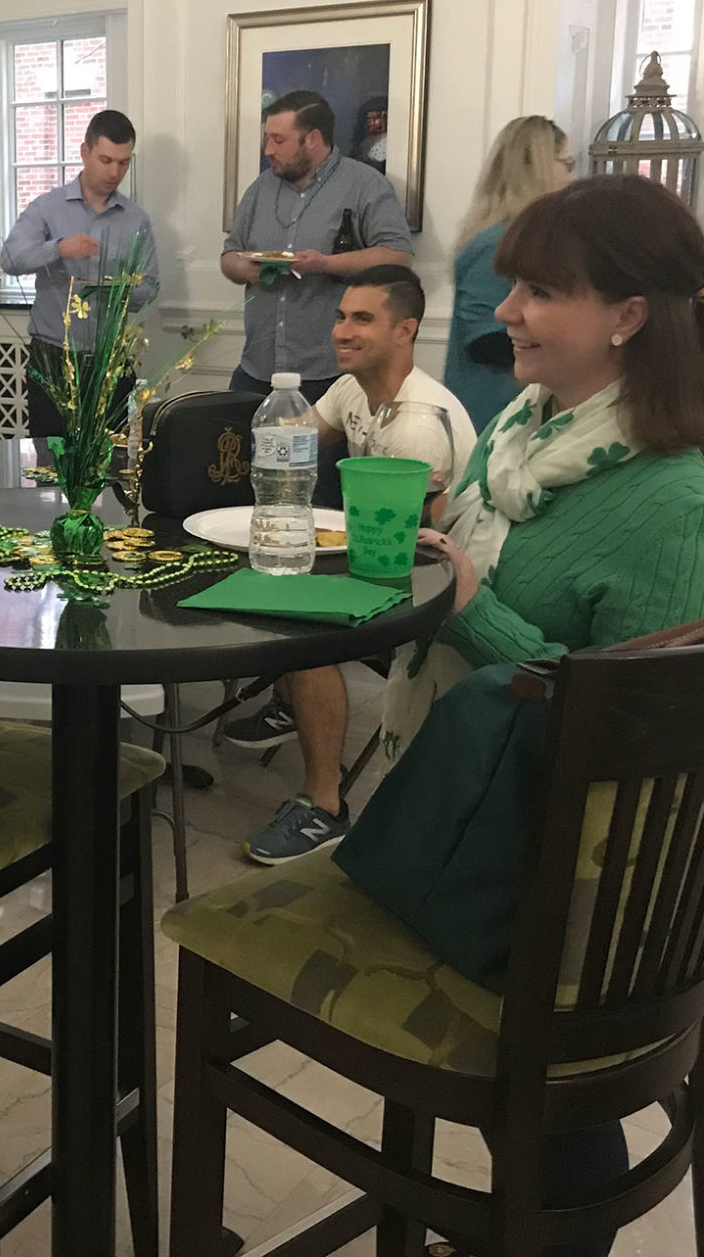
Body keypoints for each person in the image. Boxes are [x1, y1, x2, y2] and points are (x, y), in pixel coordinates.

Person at [392, 173, 704, 1257]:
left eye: (540, 291)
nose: (504, 311)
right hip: (503, 823)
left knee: (559, 1104)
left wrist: (474, 610)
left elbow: (632, 742)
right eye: (513, 286)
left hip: (578, 889)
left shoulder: (666, 501)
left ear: (629, 318)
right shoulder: (528, 431)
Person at [228, 266, 477, 864]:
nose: (341, 329)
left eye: (362, 319)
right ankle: (296, 706)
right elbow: (289, 449)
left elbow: (416, 549)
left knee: (302, 622)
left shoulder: (417, 424)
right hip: (390, 550)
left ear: (406, 331)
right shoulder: (352, 387)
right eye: (341, 316)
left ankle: (325, 808)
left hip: (436, 585)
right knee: (275, 571)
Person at [220, 90, 414, 401]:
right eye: (266, 138)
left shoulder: (364, 184)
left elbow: (398, 256)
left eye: (279, 140)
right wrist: (247, 270)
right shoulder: (260, 188)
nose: (268, 149)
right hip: (257, 368)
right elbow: (230, 254)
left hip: (329, 373)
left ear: (312, 139)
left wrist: (324, 264)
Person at [0, 109, 159, 441]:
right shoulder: (47, 208)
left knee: (111, 462)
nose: (115, 171)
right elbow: (10, 259)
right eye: (105, 160)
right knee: (51, 459)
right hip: (53, 358)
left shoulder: (136, 220)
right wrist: (57, 248)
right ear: (85, 152)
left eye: (123, 162)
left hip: (111, 361)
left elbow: (150, 287)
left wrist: (120, 289)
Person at [444, 114, 578, 432]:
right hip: (493, 413)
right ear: (539, 168)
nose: (572, 178)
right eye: (567, 164)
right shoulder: (496, 243)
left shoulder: (515, 237)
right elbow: (488, 342)